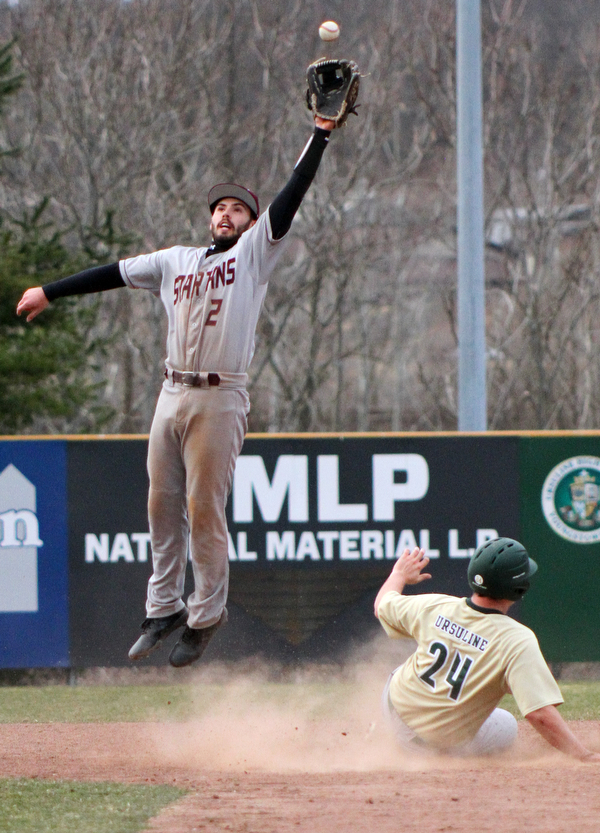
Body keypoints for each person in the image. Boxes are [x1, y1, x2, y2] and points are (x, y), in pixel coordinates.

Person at [17, 113, 338, 668]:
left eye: (237, 208)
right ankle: (162, 608)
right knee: (161, 506)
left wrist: (321, 133)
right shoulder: (175, 261)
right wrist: (49, 290)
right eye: (220, 207)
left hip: (220, 396)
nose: (225, 213)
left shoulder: (253, 255)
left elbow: (291, 197)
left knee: (203, 508)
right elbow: (112, 272)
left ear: (251, 222)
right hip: (172, 393)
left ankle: (206, 614)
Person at [374, 537, 600, 761]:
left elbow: (382, 605)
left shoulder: (435, 605)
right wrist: (584, 755)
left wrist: (399, 575)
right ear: (519, 588)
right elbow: (539, 714)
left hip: (391, 705)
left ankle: (381, 732)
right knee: (506, 724)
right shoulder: (516, 640)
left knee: (408, 668)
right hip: (428, 747)